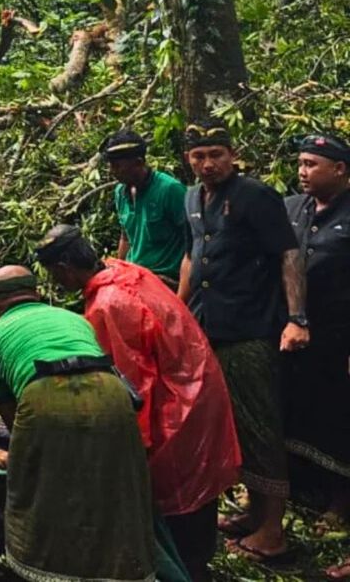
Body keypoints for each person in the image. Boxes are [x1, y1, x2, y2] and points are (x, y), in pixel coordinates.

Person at [37, 225, 242, 582]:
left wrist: (132, 447)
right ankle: (198, 562)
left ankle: (187, 570)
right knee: (196, 487)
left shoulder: (108, 305)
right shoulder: (129, 272)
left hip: (175, 405)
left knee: (174, 496)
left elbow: (132, 385)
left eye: (56, 275)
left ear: (65, 269)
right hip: (197, 388)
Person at [177, 120, 308, 563]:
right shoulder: (192, 197)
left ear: (232, 155)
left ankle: (273, 531)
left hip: (251, 331)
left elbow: (288, 254)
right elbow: (192, 256)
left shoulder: (256, 195)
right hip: (208, 327)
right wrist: (179, 310)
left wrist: (296, 318)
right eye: (199, 156)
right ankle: (253, 512)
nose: (208, 163)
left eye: (216, 154)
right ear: (188, 160)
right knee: (233, 428)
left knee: (260, 427)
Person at [0, 265, 155, 582]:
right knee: (114, 485)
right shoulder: (74, 319)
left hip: (45, 394)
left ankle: (48, 571)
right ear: (37, 294)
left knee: (39, 487)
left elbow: (15, 419)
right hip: (112, 393)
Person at [283, 134, 350, 579]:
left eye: (312, 164)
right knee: (298, 413)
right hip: (297, 333)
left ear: (340, 169)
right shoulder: (292, 208)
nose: (303, 171)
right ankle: (303, 489)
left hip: (339, 337)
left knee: (340, 418)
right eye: (301, 163)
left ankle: (341, 503)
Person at [102, 128, 189, 286]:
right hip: (135, 278)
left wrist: (182, 291)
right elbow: (126, 236)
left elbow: (193, 241)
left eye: (117, 166)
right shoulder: (120, 191)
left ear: (138, 163)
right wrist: (119, 270)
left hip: (166, 280)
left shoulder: (170, 190)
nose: (111, 171)